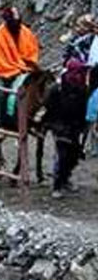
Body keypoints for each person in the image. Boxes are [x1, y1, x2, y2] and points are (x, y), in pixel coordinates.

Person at [43, 63, 91, 199]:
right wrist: (55, 125)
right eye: (79, 72)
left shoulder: (83, 89)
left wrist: (84, 125)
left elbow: (84, 108)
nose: (80, 75)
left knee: (74, 155)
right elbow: (49, 107)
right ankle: (57, 186)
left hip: (76, 126)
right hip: (60, 125)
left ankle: (65, 178)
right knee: (62, 155)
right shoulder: (57, 89)